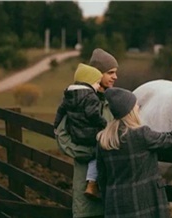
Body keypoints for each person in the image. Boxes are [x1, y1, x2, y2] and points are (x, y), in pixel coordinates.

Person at [96, 87, 172, 218]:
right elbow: (171, 138)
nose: (138, 107)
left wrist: (108, 198)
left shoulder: (103, 138)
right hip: (144, 202)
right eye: (135, 105)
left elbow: (102, 177)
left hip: (115, 203)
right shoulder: (141, 134)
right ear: (129, 111)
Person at [55, 48, 118, 218]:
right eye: (110, 72)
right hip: (86, 187)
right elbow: (61, 136)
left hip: (112, 185)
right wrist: (91, 152)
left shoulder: (115, 101)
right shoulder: (75, 102)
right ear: (97, 74)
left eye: (115, 72)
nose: (115, 77)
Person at [54, 63, 107, 200]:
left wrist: (55, 124)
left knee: (91, 155)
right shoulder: (91, 97)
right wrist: (104, 123)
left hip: (75, 134)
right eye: (96, 83)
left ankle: (91, 184)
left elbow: (60, 111)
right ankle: (92, 184)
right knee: (97, 154)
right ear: (89, 82)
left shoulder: (68, 95)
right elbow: (92, 114)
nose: (98, 86)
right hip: (90, 135)